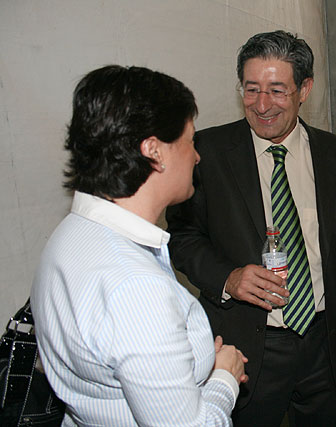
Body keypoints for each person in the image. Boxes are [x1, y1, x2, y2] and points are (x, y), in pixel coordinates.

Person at [165, 30, 336, 426]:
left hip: (323, 341)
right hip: (244, 345)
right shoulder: (206, 153)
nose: (262, 105)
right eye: (251, 90)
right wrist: (228, 277)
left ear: (305, 89)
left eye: (276, 91)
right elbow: (182, 238)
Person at [30, 65, 248, 426]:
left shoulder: (71, 234)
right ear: (154, 151)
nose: (196, 156)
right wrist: (224, 376)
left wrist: (190, 365)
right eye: (190, 141)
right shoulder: (136, 285)